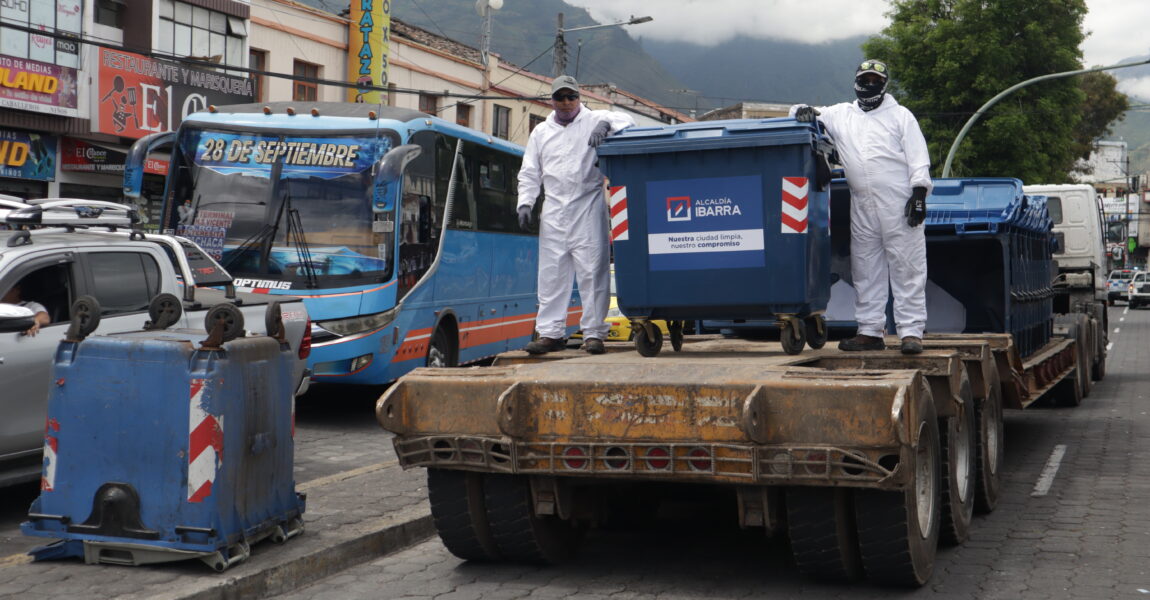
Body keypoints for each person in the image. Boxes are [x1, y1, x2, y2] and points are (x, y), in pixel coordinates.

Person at [791, 59, 932, 355]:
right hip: (862, 204)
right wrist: (801, 111)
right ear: (856, 81)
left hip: (898, 202)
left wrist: (919, 194)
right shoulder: (842, 114)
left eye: (875, 81)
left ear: (884, 85)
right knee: (866, 268)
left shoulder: (901, 117)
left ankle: (911, 332)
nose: (870, 85)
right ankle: (870, 331)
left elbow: (918, 157)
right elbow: (802, 111)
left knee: (907, 267)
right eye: (865, 79)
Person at [517, 75, 635, 354]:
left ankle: (594, 333)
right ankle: (550, 334)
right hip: (554, 209)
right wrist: (525, 202)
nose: (567, 102)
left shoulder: (594, 119)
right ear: (552, 100)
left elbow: (628, 121)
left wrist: (607, 125)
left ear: (579, 97)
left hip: (588, 205)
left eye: (571, 96)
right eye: (561, 97)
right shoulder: (541, 133)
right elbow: (530, 171)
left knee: (593, 272)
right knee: (551, 275)